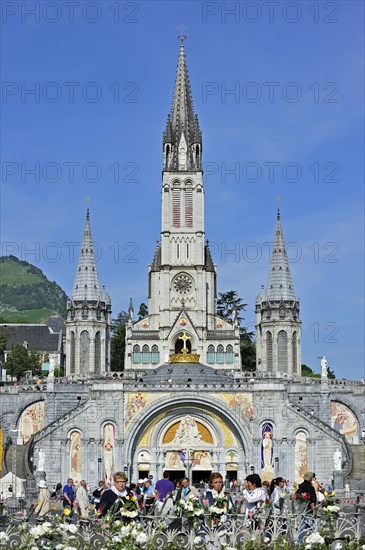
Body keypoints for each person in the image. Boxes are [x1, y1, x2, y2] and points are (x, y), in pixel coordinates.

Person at [296, 472, 317, 545]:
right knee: (312, 527)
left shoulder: (301, 486)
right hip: (309, 510)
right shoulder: (310, 487)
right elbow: (311, 499)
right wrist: (314, 509)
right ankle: (313, 543)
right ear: (310, 478)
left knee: (302, 526)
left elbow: (297, 496)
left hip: (302, 509)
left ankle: (298, 542)